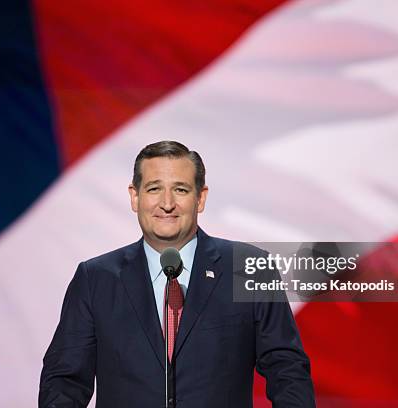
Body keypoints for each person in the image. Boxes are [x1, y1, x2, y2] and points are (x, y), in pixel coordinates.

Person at [39, 141, 316, 407]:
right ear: (135, 197)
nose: (167, 203)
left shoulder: (247, 267)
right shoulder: (95, 279)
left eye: (181, 190)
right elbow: (65, 382)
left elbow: (287, 370)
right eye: (154, 189)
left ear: (200, 197)